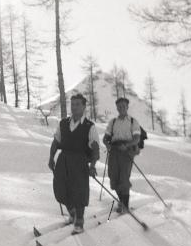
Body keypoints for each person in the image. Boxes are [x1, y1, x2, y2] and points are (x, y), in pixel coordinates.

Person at [48, 94, 101, 234]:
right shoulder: (64, 123)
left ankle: (79, 222)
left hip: (80, 161)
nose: (74, 107)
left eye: (77, 104)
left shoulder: (89, 126)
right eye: (72, 104)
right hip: (63, 159)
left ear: (84, 106)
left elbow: (95, 148)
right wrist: (51, 157)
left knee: (79, 192)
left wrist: (93, 165)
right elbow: (56, 142)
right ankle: (72, 213)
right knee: (60, 190)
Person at [102, 97, 145, 214]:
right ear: (117, 108)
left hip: (127, 151)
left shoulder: (132, 121)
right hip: (114, 151)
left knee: (124, 178)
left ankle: (125, 206)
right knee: (113, 177)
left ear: (127, 107)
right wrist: (107, 145)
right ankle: (121, 201)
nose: (121, 108)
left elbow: (136, 138)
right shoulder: (113, 122)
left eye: (123, 106)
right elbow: (105, 138)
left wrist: (126, 145)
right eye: (119, 106)